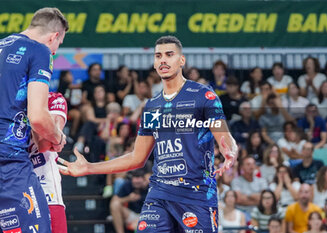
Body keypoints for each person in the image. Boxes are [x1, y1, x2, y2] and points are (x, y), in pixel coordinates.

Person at [59, 35, 238, 233]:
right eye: (158, 55)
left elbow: (224, 136)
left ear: (181, 60)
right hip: (159, 195)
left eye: (169, 55)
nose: (163, 60)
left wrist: (229, 150)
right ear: (154, 63)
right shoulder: (152, 106)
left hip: (196, 195)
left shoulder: (203, 96)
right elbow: (137, 157)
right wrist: (89, 168)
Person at [0, 7, 68, 233]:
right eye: (58, 47)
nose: (55, 53)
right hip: (8, 158)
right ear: (54, 36)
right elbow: (38, 117)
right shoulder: (39, 50)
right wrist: (58, 137)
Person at [29, 92, 68, 233]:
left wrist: (33, 106)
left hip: (44, 186)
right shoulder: (7, 104)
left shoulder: (54, 98)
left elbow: (44, 143)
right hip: (9, 183)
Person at [109, 169, 149, 233]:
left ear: (144, 179)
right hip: (131, 214)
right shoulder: (128, 185)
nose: (136, 181)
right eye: (135, 178)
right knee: (115, 205)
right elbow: (114, 200)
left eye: (139, 178)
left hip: (146, 217)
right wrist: (128, 198)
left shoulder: (150, 187)